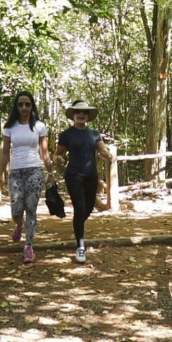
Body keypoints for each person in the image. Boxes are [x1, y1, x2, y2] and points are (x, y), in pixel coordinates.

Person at [0, 90, 55, 263]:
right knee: (16, 210)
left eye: (27, 104)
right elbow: (5, 153)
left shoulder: (39, 126)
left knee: (31, 208)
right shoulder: (9, 127)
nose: (24, 107)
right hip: (16, 171)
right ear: (16, 107)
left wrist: (50, 172)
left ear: (32, 106)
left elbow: (44, 152)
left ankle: (28, 246)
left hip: (34, 170)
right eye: (20, 104)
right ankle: (19, 224)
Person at [53, 99, 112, 263]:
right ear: (73, 115)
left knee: (88, 207)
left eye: (84, 112)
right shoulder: (66, 135)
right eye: (78, 112)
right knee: (79, 207)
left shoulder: (94, 134)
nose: (81, 115)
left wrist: (107, 154)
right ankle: (80, 247)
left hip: (91, 175)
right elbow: (57, 154)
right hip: (73, 175)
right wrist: (58, 159)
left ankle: (77, 225)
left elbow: (102, 149)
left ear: (88, 116)